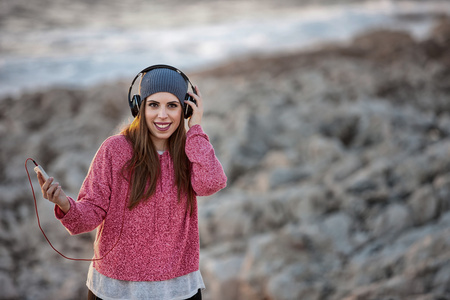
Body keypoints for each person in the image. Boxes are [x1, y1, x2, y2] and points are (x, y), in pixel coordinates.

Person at [37, 65, 227, 300]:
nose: (162, 115)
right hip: (116, 290)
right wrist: (65, 204)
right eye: (154, 105)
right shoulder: (114, 150)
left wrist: (195, 129)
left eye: (172, 105)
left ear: (186, 109)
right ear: (140, 106)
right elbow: (88, 216)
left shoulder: (190, 152)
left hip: (176, 290)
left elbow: (211, 182)